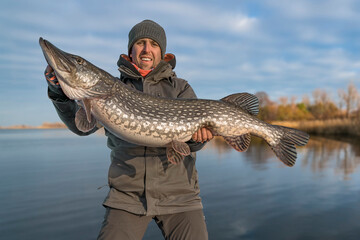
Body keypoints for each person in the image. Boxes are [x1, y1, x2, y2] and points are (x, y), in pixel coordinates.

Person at [45, 20, 213, 240]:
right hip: (126, 196)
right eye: (140, 43)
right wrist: (58, 93)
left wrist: (197, 140)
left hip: (179, 195)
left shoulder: (180, 88)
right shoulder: (111, 88)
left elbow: (192, 141)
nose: (146, 49)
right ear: (130, 51)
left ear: (162, 52)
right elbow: (81, 128)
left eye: (153, 44)